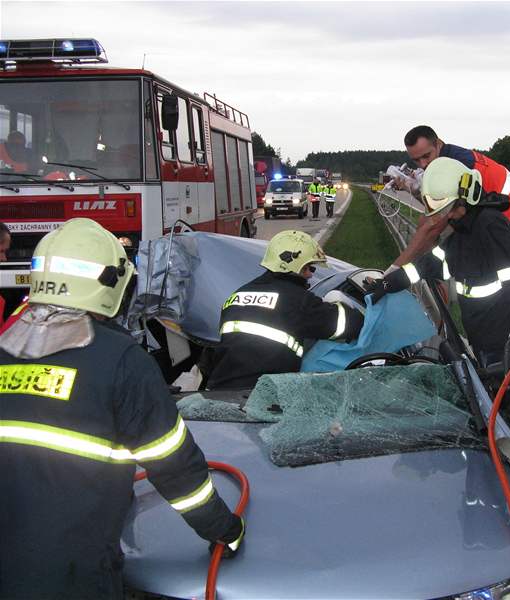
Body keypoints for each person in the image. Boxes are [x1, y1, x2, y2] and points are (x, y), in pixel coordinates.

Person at [0, 218, 243, 599]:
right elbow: (175, 468)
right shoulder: (122, 362)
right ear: (112, 284)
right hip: (69, 573)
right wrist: (225, 530)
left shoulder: (4, 347)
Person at [370, 157, 510, 368]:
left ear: (466, 195)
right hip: (479, 331)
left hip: (499, 338)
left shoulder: (490, 224)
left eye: (450, 208)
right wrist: (391, 282)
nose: (447, 215)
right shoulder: (464, 227)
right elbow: (433, 263)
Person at [206, 230, 364, 389]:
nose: (310, 275)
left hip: (219, 389)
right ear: (296, 266)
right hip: (261, 394)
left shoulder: (237, 295)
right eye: (310, 268)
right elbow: (351, 323)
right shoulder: (298, 301)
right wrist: (340, 302)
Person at [391, 125, 510, 268]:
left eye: (426, 156)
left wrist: (393, 271)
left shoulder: (457, 167)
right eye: (416, 160)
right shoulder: (447, 160)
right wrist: (416, 192)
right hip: (505, 218)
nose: (423, 164)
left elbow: (433, 225)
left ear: (438, 143)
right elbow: (437, 211)